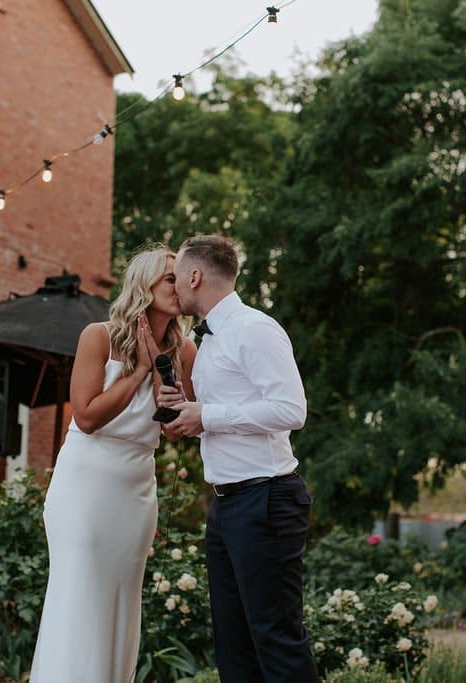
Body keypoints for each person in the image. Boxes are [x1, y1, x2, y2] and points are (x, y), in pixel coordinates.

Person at [29, 246, 197, 683]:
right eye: (169, 279)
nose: (179, 287)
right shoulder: (98, 337)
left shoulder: (187, 351)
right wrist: (138, 371)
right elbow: (85, 417)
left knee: (122, 600)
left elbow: (180, 431)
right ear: (144, 285)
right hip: (85, 484)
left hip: (136, 487)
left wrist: (163, 375)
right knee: (79, 594)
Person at [157, 234, 318, 682]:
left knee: (276, 639)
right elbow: (226, 418)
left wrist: (207, 414)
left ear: (195, 276)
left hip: (266, 500)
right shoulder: (208, 340)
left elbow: (291, 410)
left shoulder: (254, 328)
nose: (173, 286)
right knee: (233, 644)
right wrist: (186, 411)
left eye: (175, 277)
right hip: (226, 504)